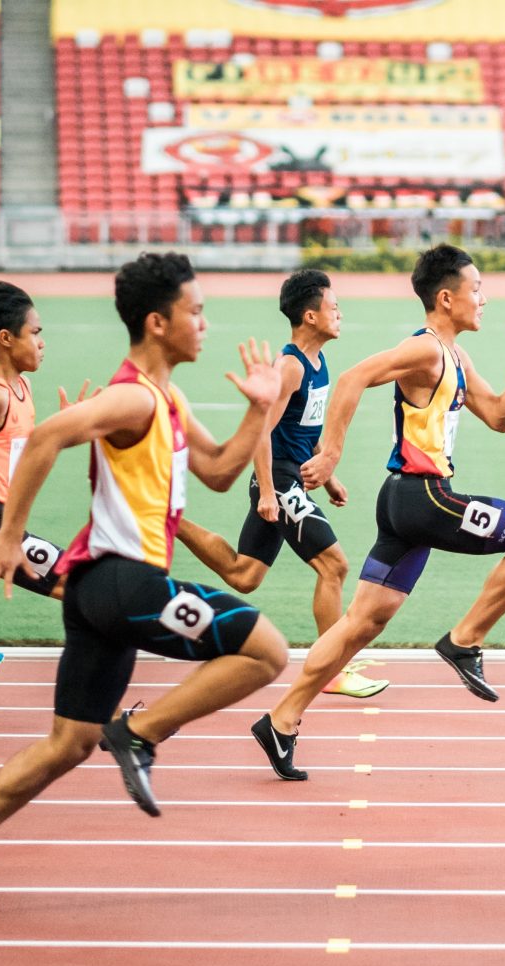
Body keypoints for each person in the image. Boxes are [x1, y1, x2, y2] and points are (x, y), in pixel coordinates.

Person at [0, 252, 289, 918]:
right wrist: (11, 532)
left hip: (100, 593)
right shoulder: (134, 393)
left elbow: (222, 470)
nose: (205, 323)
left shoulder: (168, 397)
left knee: (68, 745)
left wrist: (261, 410)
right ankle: (138, 733)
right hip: (119, 581)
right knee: (268, 652)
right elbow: (48, 435)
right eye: (196, 312)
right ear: (159, 322)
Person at [250, 243, 505, 781]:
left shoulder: (456, 356)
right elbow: (352, 379)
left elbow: (500, 416)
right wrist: (330, 453)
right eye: (477, 289)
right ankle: (464, 641)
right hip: (425, 498)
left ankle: (281, 720)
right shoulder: (423, 351)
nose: (484, 299)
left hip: (404, 505)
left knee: (359, 624)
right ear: (446, 298)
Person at [175, 269, 387, 714]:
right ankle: (331, 670)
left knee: (244, 574)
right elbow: (261, 433)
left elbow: (303, 427)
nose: (339, 313)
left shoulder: (318, 362)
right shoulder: (289, 367)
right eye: (333, 307)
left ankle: (167, 519)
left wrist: (328, 476)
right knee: (334, 566)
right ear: (310, 316)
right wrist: (269, 491)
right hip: (279, 479)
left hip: (293, 476)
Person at [0, 281, 94, 694]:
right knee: (85, 587)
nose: (42, 342)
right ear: (5, 339)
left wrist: (67, 425)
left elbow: (24, 452)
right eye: (35, 333)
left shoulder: (22, 387)